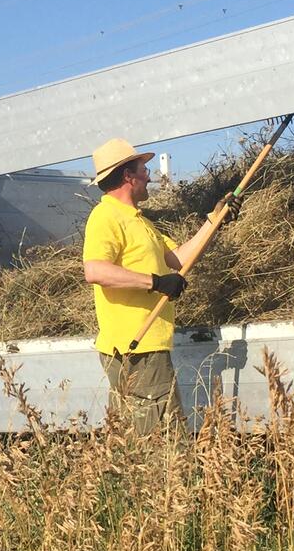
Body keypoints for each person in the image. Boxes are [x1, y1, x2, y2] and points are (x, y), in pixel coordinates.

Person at [81, 138, 220, 435]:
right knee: (165, 441)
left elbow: (180, 259)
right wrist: (155, 283)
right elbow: (95, 270)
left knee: (137, 438)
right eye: (144, 169)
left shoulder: (140, 222)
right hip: (136, 347)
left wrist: (215, 221)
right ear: (128, 176)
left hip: (148, 346)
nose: (149, 175)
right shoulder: (106, 216)